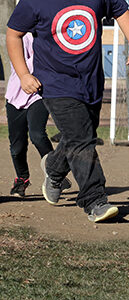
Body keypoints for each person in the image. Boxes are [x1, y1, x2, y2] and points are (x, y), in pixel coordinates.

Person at [6, 0, 129, 222]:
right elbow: (13, 34)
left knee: (78, 136)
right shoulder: (34, 1)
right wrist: (23, 74)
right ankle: (95, 200)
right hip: (55, 83)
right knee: (83, 139)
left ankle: (55, 171)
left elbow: (121, 11)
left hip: (92, 80)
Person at [5, 33, 71, 197]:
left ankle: (55, 174)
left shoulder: (51, 38)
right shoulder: (20, 37)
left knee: (37, 135)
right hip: (16, 95)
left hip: (39, 95)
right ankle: (22, 179)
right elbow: (23, 64)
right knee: (16, 147)